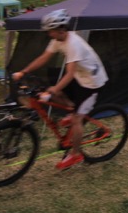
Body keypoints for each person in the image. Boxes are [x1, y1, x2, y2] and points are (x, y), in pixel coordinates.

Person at [11, 9, 108, 170]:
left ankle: (76, 154)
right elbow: (44, 57)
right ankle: (72, 109)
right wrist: (24, 71)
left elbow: (69, 73)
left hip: (92, 82)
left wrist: (51, 92)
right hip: (80, 77)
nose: (49, 34)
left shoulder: (73, 44)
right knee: (57, 92)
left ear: (61, 29)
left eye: (51, 31)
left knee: (76, 118)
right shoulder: (58, 39)